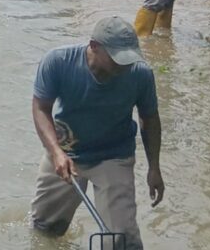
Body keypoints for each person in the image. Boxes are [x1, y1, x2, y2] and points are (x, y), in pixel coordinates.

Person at [30, 16, 163, 250]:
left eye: (129, 59)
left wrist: (154, 168)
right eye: (117, 59)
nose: (124, 66)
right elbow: (41, 108)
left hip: (114, 156)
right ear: (94, 46)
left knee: (122, 241)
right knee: (46, 229)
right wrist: (56, 152)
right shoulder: (58, 62)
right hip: (67, 152)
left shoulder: (140, 74)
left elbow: (149, 119)